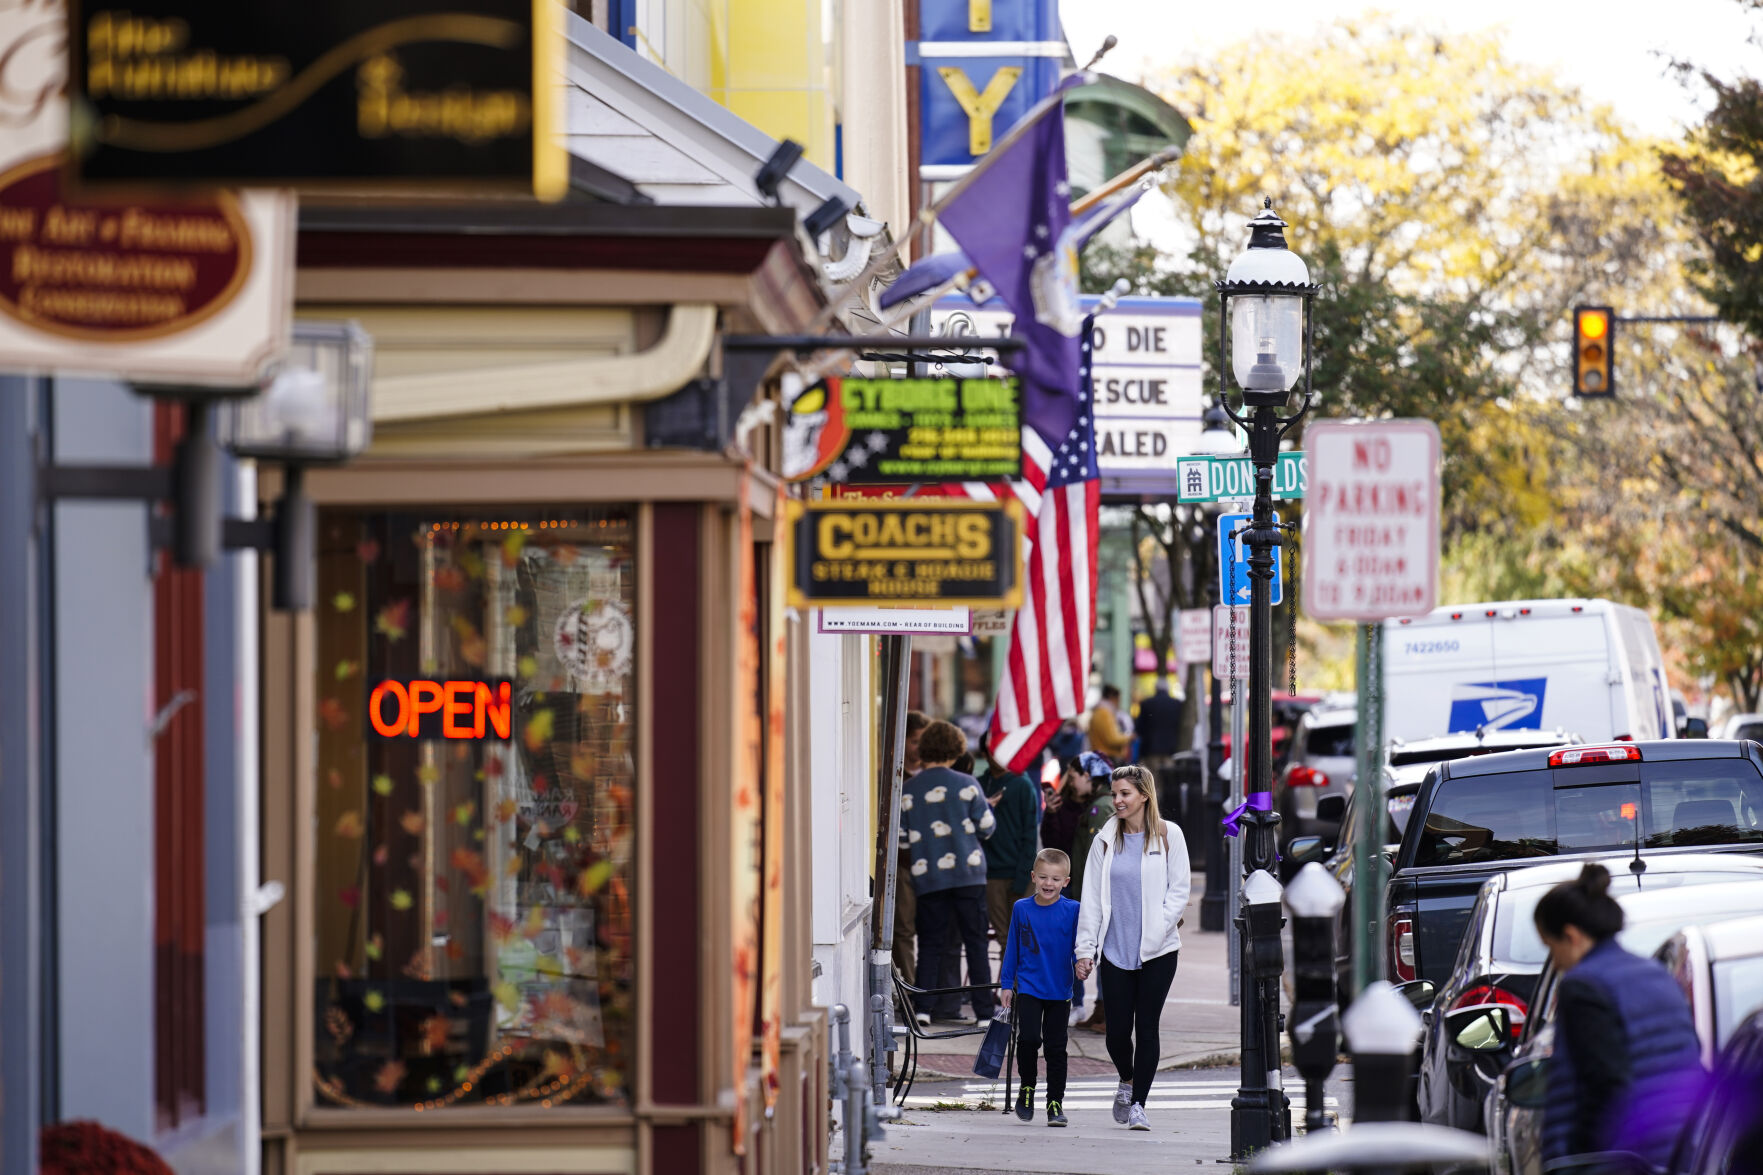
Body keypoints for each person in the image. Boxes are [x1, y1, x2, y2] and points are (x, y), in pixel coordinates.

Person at [1535, 863, 1705, 1168]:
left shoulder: (1584, 985)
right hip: (1682, 1148)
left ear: (1571, 936)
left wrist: (1581, 1158)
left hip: (1624, 1157)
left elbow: (1605, 1084)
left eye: (1551, 947)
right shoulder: (1656, 973)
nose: (1556, 963)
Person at [1075, 764, 1191, 1131]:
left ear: (1143, 795)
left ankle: (1140, 1102)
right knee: (1116, 1033)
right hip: (1115, 952)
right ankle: (1126, 1079)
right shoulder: (1105, 840)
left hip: (1158, 951)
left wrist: (1158, 929)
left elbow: (1179, 891)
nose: (1118, 800)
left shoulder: (1169, 835)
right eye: (1115, 794)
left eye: (1124, 793)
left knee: (1148, 1027)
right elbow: (1091, 898)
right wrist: (1085, 949)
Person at [903, 719, 997, 1023]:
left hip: (929, 876)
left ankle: (923, 1008)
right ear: (956, 750)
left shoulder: (909, 790)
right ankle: (984, 1011)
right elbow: (987, 827)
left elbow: (902, 839)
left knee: (930, 942)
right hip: (969, 875)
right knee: (976, 941)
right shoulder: (968, 785)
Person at [999, 848, 1080, 1128]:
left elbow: (1078, 948)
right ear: (1033, 877)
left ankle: (1055, 1103)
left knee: (1057, 1048)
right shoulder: (1022, 908)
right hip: (1030, 988)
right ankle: (1027, 1089)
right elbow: (1012, 947)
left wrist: (1082, 963)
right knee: (1029, 1039)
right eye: (1043, 877)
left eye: (1056, 879)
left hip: (1060, 990)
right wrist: (1007, 983)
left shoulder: (1073, 910)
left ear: (1066, 882)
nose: (1049, 883)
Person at [980, 755, 1039, 950]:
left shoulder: (1022, 784)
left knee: (1024, 940)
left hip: (1019, 873)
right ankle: (1010, 982)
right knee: (1005, 940)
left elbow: (1030, 835)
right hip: (991, 875)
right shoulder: (979, 784)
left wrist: (1023, 877)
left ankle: (1021, 982)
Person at [892, 711, 930, 985]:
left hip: (934, 864)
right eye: (915, 741)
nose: (919, 747)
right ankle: (911, 986)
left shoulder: (935, 775)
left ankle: (932, 987)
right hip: (904, 861)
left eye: (923, 741)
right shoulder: (893, 774)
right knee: (903, 927)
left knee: (934, 929)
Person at [1135, 679, 1184, 778]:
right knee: (1168, 779)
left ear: (1155, 689)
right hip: (1170, 748)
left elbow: (1139, 728)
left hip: (1151, 748)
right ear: (1167, 689)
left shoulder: (1147, 703)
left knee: (1153, 779)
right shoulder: (1176, 704)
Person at [1088, 685, 1132, 761]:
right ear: (1112, 697)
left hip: (1100, 755)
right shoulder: (1105, 714)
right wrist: (1129, 737)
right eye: (1118, 699)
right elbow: (1112, 739)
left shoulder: (1099, 712)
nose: (1118, 703)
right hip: (1107, 756)